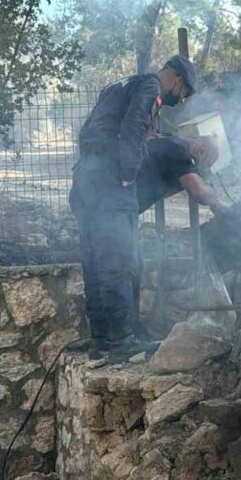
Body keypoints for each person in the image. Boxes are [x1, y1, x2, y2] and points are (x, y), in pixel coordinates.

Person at [69, 55, 197, 357]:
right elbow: (134, 126)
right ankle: (123, 340)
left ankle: (101, 337)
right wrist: (128, 173)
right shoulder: (150, 87)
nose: (177, 103)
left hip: (85, 178)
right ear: (177, 80)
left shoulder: (121, 85)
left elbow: (92, 130)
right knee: (120, 258)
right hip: (111, 181)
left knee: (95, 258)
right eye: (182, 96)